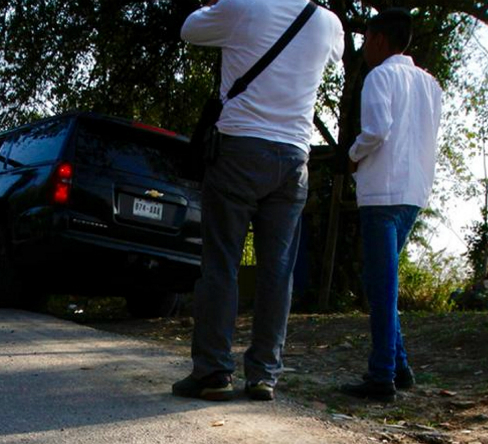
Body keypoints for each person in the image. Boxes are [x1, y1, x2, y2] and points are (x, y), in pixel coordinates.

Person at [173, 0, 344, 401]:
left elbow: (189, 29)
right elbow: (335, 55)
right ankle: (264, 374)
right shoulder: (327, 21)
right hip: (294, 159)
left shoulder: (242, 7)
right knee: (277, 271)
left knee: (221, 262)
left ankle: (214, 371)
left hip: (239, 150)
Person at [341, 9, 443, 403]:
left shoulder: (379, 76)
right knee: (383, 282)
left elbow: (377, 130)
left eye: (366, 41)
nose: (365, 49)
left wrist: (352, 155)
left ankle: (382, 374)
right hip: (414, 193)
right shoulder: (430, 84)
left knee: (382, 286)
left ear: (381, 41)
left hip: (382, 191)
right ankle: (398, 366)